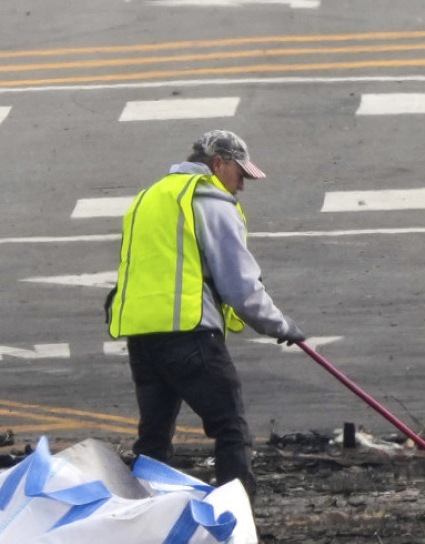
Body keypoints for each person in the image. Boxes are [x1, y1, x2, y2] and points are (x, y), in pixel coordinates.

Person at [106, 129, 305, 502]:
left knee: (153, 441)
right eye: (240, 174)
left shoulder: (150, 197)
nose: (241, 186)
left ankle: (139, 517)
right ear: (218, 163)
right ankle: (234, 518)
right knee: (231, 427)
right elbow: (240, 288)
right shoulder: (210, 201)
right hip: (189, 335)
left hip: (142, 337)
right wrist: (281, 326)